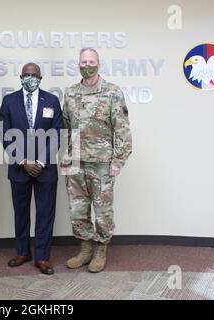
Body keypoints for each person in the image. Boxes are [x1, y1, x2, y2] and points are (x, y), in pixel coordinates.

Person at [62, 48, 132, 273]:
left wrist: (118, 161)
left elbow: (122, 130)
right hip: (75, 163)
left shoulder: (112, 92)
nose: (87, 65)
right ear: (78, 65)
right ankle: (85, 249)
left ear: (99, 64)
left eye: (91, 61)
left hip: (102, 163)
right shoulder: (71, 93)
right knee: (77, 210)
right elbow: (65, 127)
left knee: (103, 211)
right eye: (83, 62)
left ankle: (100, 249)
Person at [0, 63, 63, 275]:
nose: (30, 77)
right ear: (20, 77)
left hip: (46, 169)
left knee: (45, 214)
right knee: (21, 213)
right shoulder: (9, 101)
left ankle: (42, 257)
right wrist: (23, 160)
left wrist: (41, 162)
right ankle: (22, 252)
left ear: (41, 77)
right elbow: (5, 134)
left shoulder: (52, 100)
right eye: (26, 74)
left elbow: (57, 134)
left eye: (34, 75)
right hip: (19, 168)